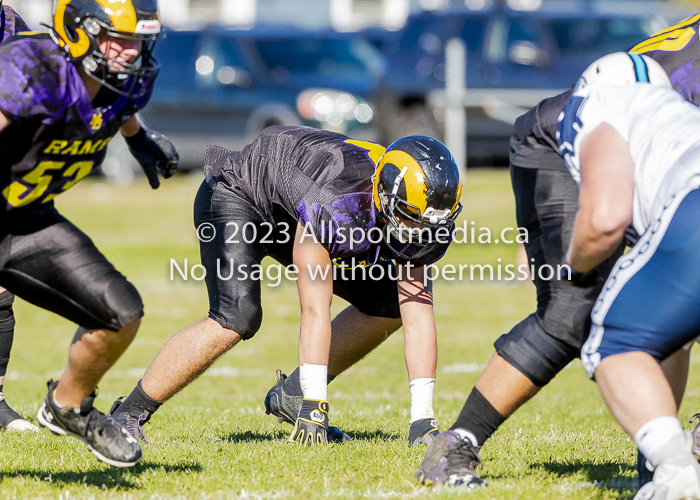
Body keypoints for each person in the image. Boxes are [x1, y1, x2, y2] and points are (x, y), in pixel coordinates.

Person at [415, 14, 700, 487]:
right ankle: (457, 442)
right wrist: (571, 261)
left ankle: (659, 460)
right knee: (573, 311)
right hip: (572, 143)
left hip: (659, 169)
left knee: (673, 313)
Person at [109, 126, 462, 446]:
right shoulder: (334, 200)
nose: (417, 233)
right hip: (241, 192)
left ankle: (290, 394)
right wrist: (316, 403)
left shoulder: (417, 215)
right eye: (408, 219)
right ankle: (126, 414)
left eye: (423, 222)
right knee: (236, 316)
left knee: (391, 306)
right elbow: (314, 308)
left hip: (293, 205)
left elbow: (418, 315)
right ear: (385, 196)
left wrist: (423, 419)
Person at [0, 0, 178, 466]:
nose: (129, 53)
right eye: (117, 39)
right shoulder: (34, 67)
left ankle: (67, 406)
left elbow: (116, 104)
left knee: (121, 312)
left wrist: (138, 139)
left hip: (24, 220)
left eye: (138, 42)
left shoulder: (130, 82)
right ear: (78, 31)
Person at [557, 52, 700, 498]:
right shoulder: (678, 113)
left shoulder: (600, 106)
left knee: (613, 343)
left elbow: (604, 219)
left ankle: (676, 475)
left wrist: (575, 268)